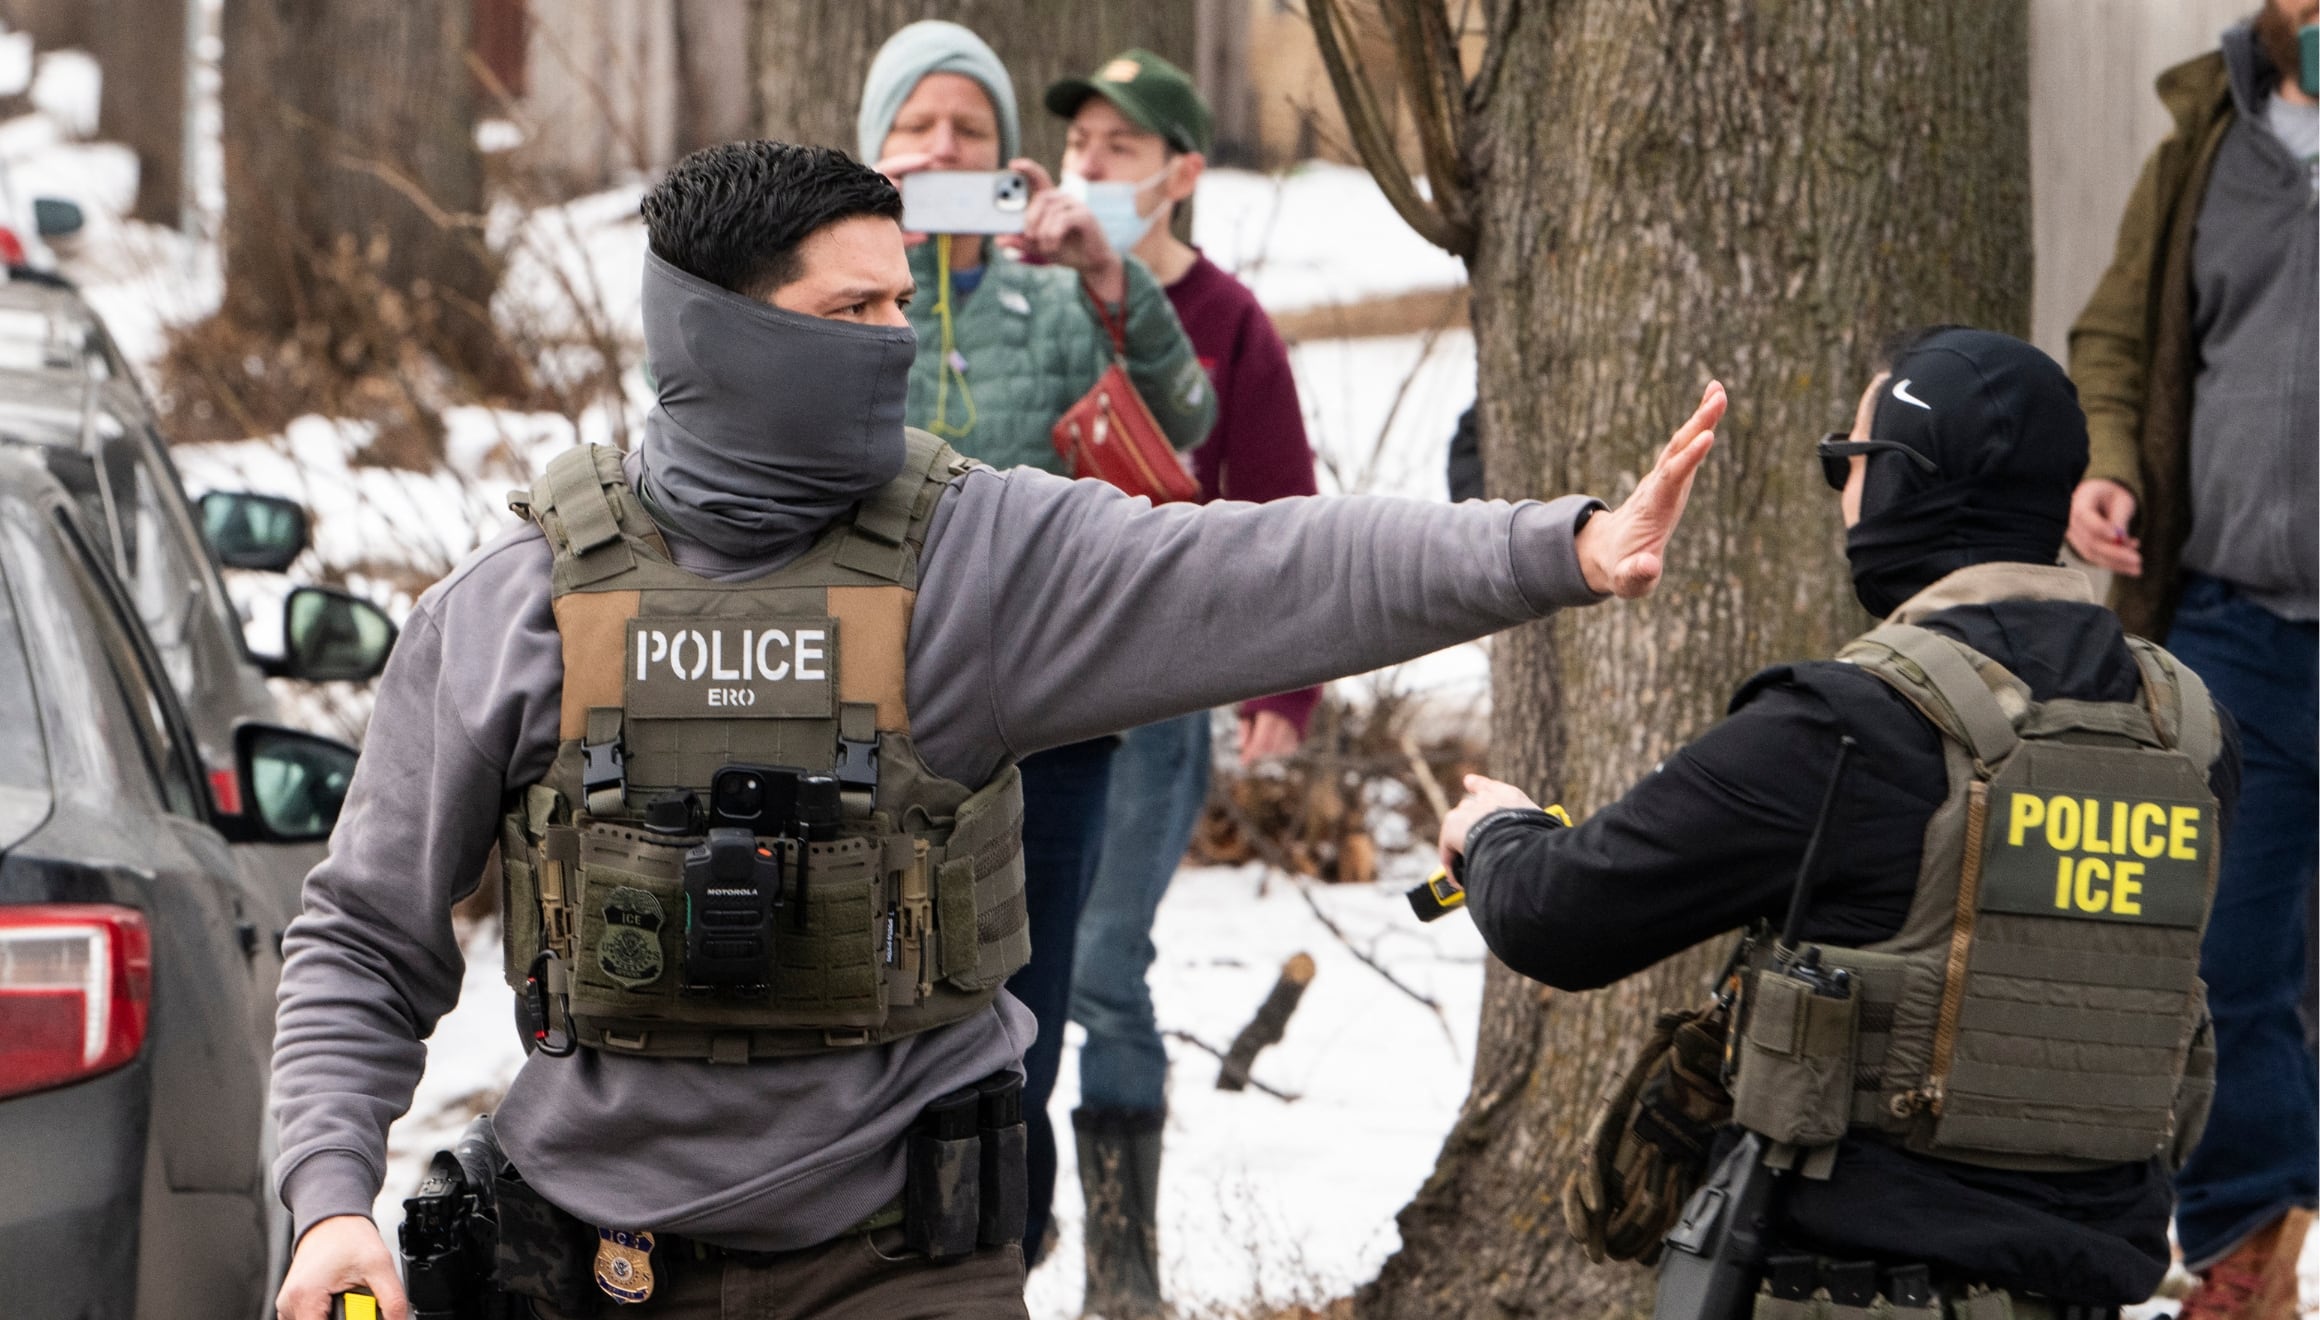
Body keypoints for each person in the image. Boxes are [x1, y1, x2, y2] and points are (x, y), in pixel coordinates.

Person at [270, 139, 1727, 1319]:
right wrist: (329, 1202)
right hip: (595, 1256)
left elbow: (1274, 567)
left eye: (905, 302)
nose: (899, 345)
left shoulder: (977, 555)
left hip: (907, 1255)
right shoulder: (513, 607)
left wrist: (1565, 547)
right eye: (854, 313)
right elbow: (363, 936)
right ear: (717, 336)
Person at [1439, 329, 2240, 1317]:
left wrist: (1497, 834)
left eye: (1846, 464)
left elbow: (1555, 915)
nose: (1843, 493)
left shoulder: (1845, 729)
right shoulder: (2188, 733)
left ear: (1901, 483)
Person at [856, 23, 1219, 1262]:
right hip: (870, 724)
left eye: (970, 133)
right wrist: (850, 274)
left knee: (1030, 1013)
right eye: (918, 129)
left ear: (1010, 161)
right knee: (873, 1010)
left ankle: (1007, 1247)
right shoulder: (833, 295)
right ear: (874, 149)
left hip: (1049, 724)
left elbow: (1186, 419)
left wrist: (1109, 275)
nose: (944, 150)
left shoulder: (1054, 293)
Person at [1039, 48, 1322, 1313]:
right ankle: (998, 1220)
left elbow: (1281, 509)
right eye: (1080, 143)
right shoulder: (1022, 294)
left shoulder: (1226, 322)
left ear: (1181, 176)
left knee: (1103, 964)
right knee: (995, 973)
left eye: (1121, 150)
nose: (1091, 167)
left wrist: (1286, 687)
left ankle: (1122, 1273)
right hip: (1016, 688)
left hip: (1153, 702)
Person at [2066, 3, 2318, 1313]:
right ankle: (2246, 1261)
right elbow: (2116, 338)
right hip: (2236, 627)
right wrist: (2110, 461)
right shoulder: (2208, 139)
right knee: (2220, 965)